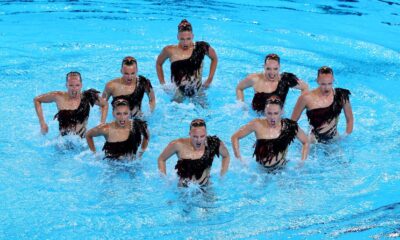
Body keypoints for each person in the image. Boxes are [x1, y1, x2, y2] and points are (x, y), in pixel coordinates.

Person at [231, 96, 309, 172]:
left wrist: (302, 163)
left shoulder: (289, 126)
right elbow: (235, 137)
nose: (272, 117)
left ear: (281, 112)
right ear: (264, 111)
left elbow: (306, 142)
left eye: (276, 113)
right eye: (269, 113)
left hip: (281, 169)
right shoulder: (256, 124)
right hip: (260, 171)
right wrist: (239, 159)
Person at [156, 19, 218, 100]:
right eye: (182, 39)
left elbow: (214, 58)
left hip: (197, 90)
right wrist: (163, 84)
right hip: (178, 91)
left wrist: (209, 79)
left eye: (188, 39)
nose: (185, 43)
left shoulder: (201, 47)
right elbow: (158, 64)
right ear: (177, 36)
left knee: (206, 112)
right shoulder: (169, 50)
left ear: (193, 36)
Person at [158, 119, 229, 187]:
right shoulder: (178, 145)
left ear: (206, 134)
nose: (199, 140)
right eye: (195, 137)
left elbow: (226, 156)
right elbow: (161, 159)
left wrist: (222, 176)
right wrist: (165, 181)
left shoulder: (213, 144)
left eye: (202, 136)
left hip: (206, 188)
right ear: (190, 134)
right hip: (183, 191)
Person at [34, 71, 107, 137]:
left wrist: (102, 123)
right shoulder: (58, 96)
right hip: (62, 141)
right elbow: (37, 100)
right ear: (66, 85)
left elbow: (105, 105)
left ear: (81, 85)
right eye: (71, 85)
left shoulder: (88, 97)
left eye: (77, 85)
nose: (74, 89)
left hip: (81, 140)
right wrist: (42, 123)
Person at [291, 66, 353, 143]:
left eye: (329, 83)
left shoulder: (341, 96)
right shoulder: (306, 98)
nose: (327, 88)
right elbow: (292, 124)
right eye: (323, 84)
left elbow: (350, 120)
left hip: (334, 141)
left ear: (333, 80)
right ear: (317, 81)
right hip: (314, 143)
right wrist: (303, 140)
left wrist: (345, 137)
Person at [236, 53, 308, 113]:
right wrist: (242, 107)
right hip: (255, 117)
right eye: (268, 68)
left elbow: (305, 87)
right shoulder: (255, 79)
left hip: (278, 119)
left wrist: (299, 109)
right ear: (264, 67)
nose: (272, 73)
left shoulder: (286, 80)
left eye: (275, 69)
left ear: (279, 67)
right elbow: (239, 88)